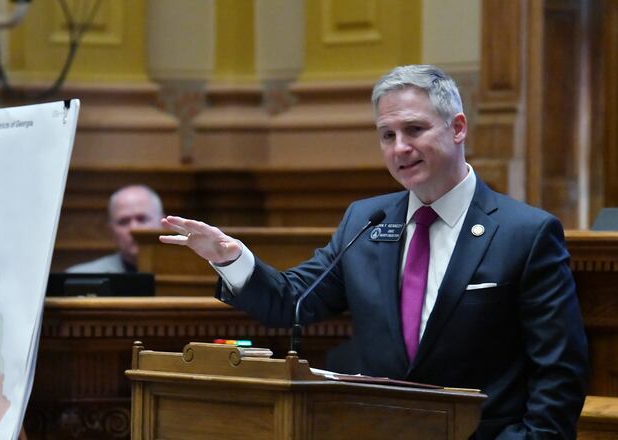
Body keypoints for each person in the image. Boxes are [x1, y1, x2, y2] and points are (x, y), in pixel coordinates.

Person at [159, 65, 589, 439]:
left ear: (458, 128)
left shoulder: (525, 233)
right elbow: (293, 300)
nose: (399, 147)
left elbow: (559, 372)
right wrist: (229, 257)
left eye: (414, 130)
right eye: (387, 135)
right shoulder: (365, 222)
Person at [67, 184, 163, 273]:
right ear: (111, 231)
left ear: (162, 223)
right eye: (123, 222)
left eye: (142, 219)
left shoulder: (178, 273)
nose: (134, 229)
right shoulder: (82, 277)